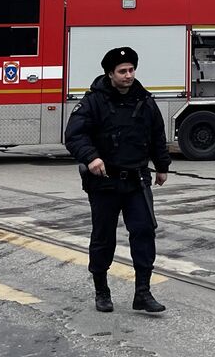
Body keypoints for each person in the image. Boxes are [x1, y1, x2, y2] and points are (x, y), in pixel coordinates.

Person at [64, 47, 171, 315]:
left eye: (131, 70)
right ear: (110, 74)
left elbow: (158, 133)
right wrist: (91, 158)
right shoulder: (93, 102)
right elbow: (74, 135)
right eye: (122, 71)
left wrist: (162, 166)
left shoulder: (144, 100)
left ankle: (143, 293)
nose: (128, 75)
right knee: (103, 237)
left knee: (144, 231)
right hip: (105, 181)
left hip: (137, 179)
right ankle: (102, 290)